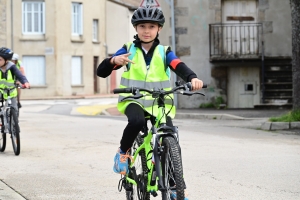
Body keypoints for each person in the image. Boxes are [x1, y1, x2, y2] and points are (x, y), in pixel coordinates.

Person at [97, 6, 203, 199]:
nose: (147, 30)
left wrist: (192, 78)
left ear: (159, 29)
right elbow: (101, 71)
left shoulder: (164, 52)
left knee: (170, 138)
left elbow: (178, 65)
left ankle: (175, 186)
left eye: (151, 26)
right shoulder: (128, 49)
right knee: (136, 122)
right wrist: (114, 61)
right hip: (134, 99)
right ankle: (122, 152)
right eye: (142, 26)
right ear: (136, 28)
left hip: (159, 102)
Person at [0, 47, 30, 115]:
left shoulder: (12, 66)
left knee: (14, 108)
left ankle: (15, 124)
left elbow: (20, 75)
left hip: (11, 91)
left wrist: (25, 82)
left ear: (6, 60)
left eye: (0, 60)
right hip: (0, 90)